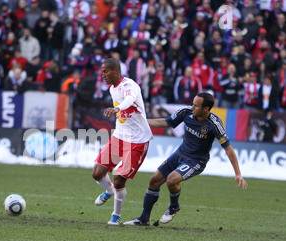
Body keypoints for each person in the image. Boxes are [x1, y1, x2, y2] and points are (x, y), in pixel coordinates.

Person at [124, 92, 248, 226]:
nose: (192, 107)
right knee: (154, 180)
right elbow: (166, 122)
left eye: (196, 105)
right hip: (179, 154)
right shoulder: (185, 112)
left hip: (196, 161)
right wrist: (143, 122)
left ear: (206, 109)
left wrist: (238, 173)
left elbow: (228, 149)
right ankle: (144, 219)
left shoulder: (214, 124)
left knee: (171, 180)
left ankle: (174, 206)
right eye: (193, 104)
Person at [92, 58, 153, 225]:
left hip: (138, 140)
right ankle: (109, 191)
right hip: (120, 136)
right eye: (102, 71)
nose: (103, 75)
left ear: (116, 71)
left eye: (106, 71)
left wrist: (117, 109)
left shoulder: (130, 86)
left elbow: (128, 100)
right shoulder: (113, 88)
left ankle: (116, 216)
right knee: (97, 173)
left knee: (119, 179)